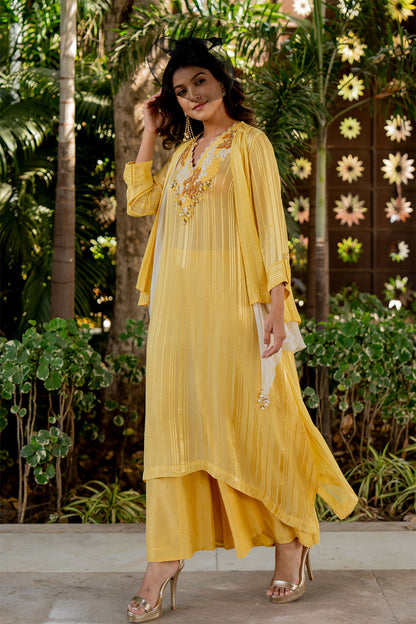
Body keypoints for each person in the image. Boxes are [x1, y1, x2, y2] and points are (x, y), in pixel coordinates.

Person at [123, 37, 357, 623]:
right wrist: (150, 131)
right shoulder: (182, 153)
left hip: (235, 306)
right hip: (178, 315)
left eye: (200, 81)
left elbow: (271, 224)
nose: (192, 96)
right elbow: (141, 203)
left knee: (261, 422)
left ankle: (291, 541)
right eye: (180, 91)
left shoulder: (251, 143)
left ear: (222, 81)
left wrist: (277, 303)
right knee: (176, 427)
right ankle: (164, 557)